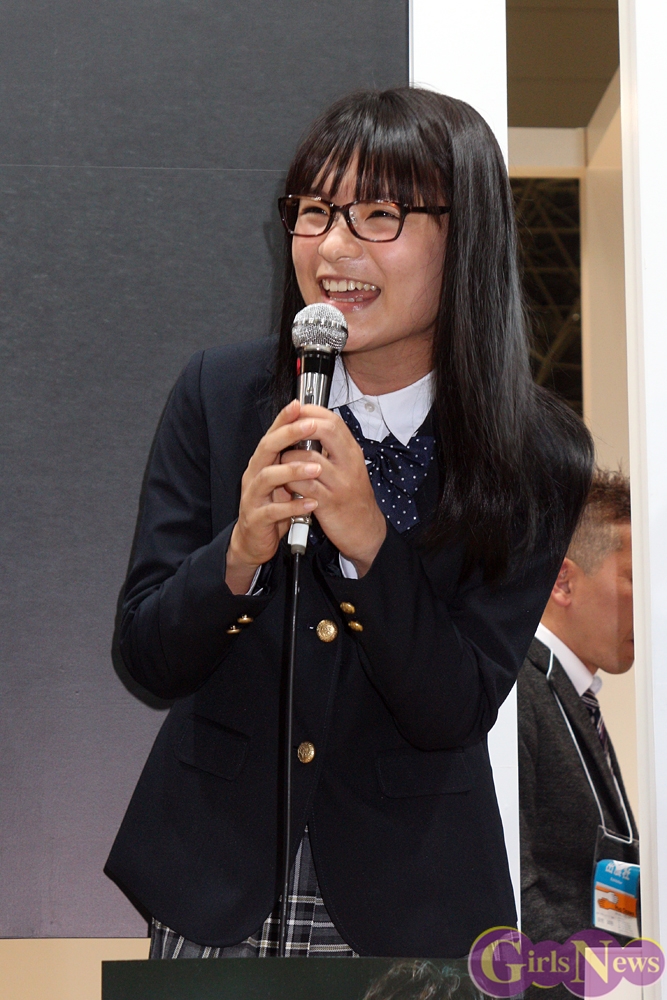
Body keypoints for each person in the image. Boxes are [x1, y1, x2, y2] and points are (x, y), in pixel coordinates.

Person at [105, 87, 593, 959]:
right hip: (212, 877)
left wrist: (370, 546)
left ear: (466, 235)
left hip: (410, 896)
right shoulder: (220, 394)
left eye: (378, 215)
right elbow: (146, 656)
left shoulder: (539, 453)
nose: (333, 248)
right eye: (315, 211)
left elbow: (453, 708)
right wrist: (239, 553)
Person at [518, 469, 637, 944]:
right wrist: (586, 980)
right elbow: (515, 885)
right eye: (635, 578)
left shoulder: (572, 693)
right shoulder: (517, 690)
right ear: (563, 582)